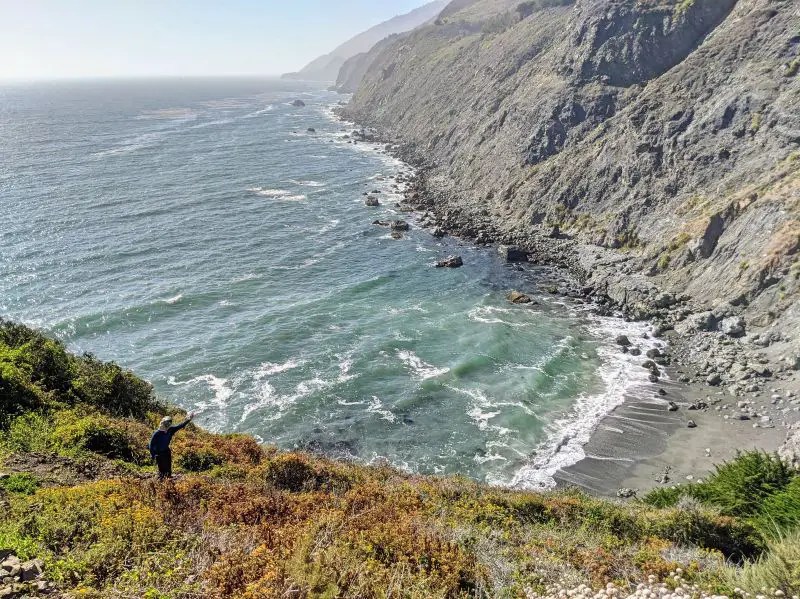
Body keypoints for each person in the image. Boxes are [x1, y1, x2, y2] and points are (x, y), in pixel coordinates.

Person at [149, 412, 194, 479]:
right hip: (159, 453)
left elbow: (180, 426)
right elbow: (151, 445)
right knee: (162, 470)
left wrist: (188, 420)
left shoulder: (171, 430)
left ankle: (168, 480)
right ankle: (162, 481)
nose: (165, 429)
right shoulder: (157, 433)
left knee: (168, 468)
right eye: (164, 426)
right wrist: (153, 455)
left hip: (166, 451)